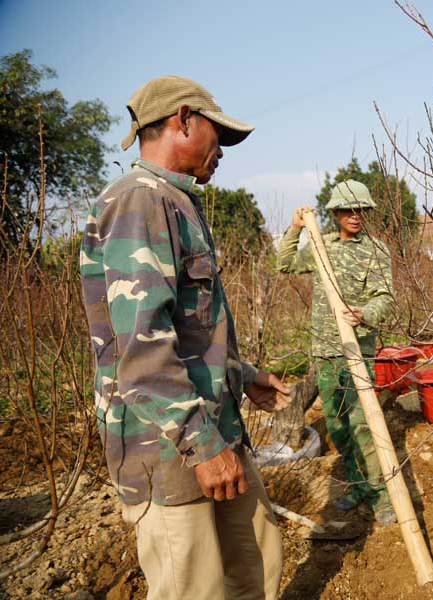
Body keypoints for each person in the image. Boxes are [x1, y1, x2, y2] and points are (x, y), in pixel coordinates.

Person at [80, 75, 286, 600]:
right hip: (171, 449)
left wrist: (242, 375)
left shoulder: (178, 203)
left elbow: (186, 332)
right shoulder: (138, 202)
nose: (221, 152)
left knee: (255, 566)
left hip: (215, 432)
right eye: (218, 136)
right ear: (184, 118)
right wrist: (202, 444)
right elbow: (143, 347)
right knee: (195, 588)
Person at [277, 181, 396, 524]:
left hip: (358, 350)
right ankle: (360, 485)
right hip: (326, 351)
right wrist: (296, 229)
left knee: (363, 426)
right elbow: (284, 264)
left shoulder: (375, 250)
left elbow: (385, 299)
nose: (355, 216)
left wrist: (365, 314)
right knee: (338, 426)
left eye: (361, 210)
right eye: (348, 210)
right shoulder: (320, 244)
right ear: (335, 214)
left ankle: (384, 498)